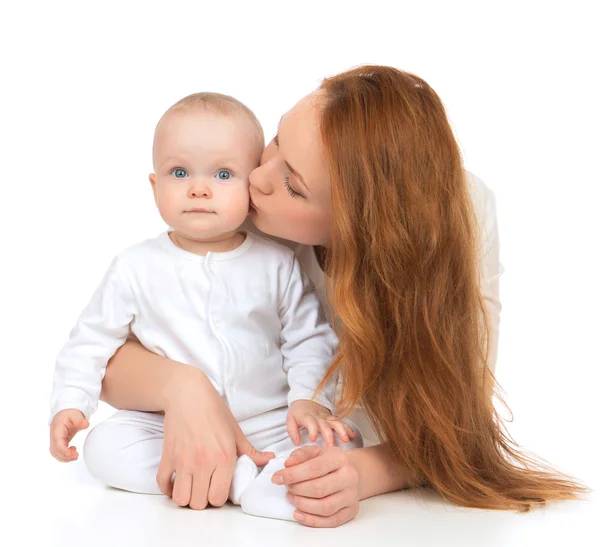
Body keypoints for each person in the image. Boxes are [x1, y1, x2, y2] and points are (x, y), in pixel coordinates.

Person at [99, 66, 589, 528]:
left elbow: (457, 424)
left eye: (292, 185)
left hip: (306, 437)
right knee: (106, 446)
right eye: (275, 140)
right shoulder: (246, 201)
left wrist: (363, 473)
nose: (257, 178)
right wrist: (183, 388)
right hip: (254, 422)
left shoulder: (462, 219)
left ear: (360, 229)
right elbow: (110, 354)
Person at [48, 92, 361, 522]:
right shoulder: (135, 267)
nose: (198, 187)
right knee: (103, 449)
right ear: (155, 185)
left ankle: (250, 476)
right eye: (179, 172)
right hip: (171, 425)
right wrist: (70, 403)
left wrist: (308, 401)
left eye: (223, 173)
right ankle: (239, 478)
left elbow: (309, 339)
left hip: (267, 418)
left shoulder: (277, 262)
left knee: (342, 441)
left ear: (251, 185)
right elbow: (92, 339)